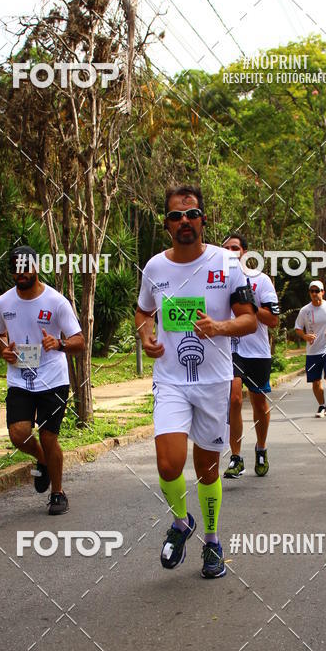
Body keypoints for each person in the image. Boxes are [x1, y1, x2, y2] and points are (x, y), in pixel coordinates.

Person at [135, 186, 257, 579]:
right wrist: (146, 336)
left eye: (191, 214)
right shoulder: (155, 268)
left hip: (214, 381)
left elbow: (249, 319)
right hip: (170, 379)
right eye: (176, 216)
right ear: (167, 224)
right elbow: (143, 311)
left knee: (207, 469)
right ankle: (181, 522)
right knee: (168, 463)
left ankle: (212, 541)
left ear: (203, 219)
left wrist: (219, 327)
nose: (184, 221)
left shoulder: (227, 263)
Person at [0, 245, 85, 515]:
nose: (21, 272)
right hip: (19, 378)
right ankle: (42, 459)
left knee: (48, 436)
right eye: (15, 268)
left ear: (36, 267)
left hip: (52, 379)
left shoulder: (56, 302)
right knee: (18, 434)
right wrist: (4, 349)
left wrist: (59, 343)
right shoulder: (3, 303)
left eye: (25, 266)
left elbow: (79, 340)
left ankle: (58, 493)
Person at [221, 233, 280, 479]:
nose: (230, 252)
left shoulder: (260, 280)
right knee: (234, 399)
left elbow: (273, 320)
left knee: (259, 403)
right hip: (230, 350)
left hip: (257, 352)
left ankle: (261, 448)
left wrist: (250, 305)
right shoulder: (217, 281)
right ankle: (236, 457)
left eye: (235, 248)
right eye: (226, 248)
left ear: (244, 252)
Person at [294, 280, 326, 418]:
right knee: (315, 382)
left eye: (317, 291)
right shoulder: (305, 310)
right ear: (309, 293)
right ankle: (322, 406)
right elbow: (298, 327)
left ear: (322, 292)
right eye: (312, 291)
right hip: (312, 351)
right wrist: (305, 336)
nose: (314, 294)